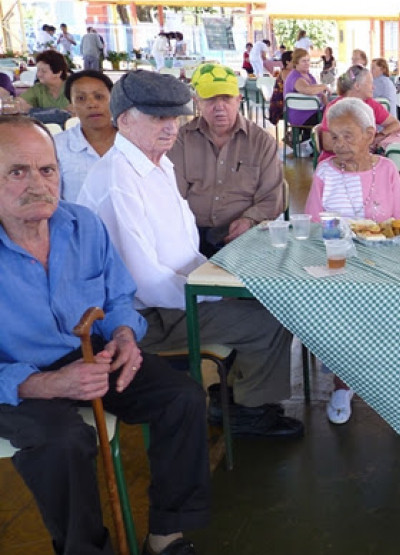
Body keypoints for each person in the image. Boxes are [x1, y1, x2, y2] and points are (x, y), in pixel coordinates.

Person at [0, 114, 210, 555]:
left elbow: (118, 298)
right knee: (63, 441)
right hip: (15, 378)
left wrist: (125, 337)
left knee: (182, 398)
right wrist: (45, 384)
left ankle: (166, 535)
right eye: (17, 171)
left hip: (90, 354)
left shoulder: (82, 225)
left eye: (47, 169)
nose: (38, 184)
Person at [77, 70, 301, 438]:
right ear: (124, 120)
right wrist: (214, 289)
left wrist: (217, 276)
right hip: (142, 319)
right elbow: (145, 282)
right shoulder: (118, 181)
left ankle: (233, 395)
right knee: (270, 320)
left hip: (176, 294)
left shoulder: (157, 164)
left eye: (174, 117)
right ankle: (248, 412)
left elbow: (184, 247)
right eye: (157, 118)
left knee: (269, 301)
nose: (169, 127)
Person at [303, 98, 400, 425]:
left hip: (382, 264)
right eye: (334, 137)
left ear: (369, 133)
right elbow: (312, 222)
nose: (339, 144)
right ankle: (342, 383)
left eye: (348, 136)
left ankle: (386, 379)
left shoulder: (388, 169)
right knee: (341, 309)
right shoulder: (325, 170)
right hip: (338, 264)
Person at [169, 63, 284, 256]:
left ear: (238, 100)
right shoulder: (181, 140)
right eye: (211, 99)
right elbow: (172, 195)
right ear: (197, 102)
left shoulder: (261, 142)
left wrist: (249, 220)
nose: (219, 107)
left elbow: (272, 199)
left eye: (226, 98)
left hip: (245, 237)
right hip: (189, 234)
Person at [53, 70, 116, 201]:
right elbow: (54, 202)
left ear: (113, 99)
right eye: (81, 98)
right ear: (71, 106)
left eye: (99, 96)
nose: (92, 104)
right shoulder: (57, 147)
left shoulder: (133, 141)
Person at [316, 65, 400, 162]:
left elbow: (395, 124)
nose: (373, 87)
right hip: (336, 161)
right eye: (370, 83)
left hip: (362, 161)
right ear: (357, 86)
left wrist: (379, 136)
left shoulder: (371, 104)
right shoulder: (335, 107)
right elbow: (327, 144)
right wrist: (361, 146)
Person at [284, 48, 332, 139]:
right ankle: (316, 147)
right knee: (332, 121)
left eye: (308, 60)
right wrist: (324, 87)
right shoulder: (296, 77)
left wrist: (328, 106)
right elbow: (307, 90)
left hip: (312, 112)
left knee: (335, 115)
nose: (307, 63)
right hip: (301, 115)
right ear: (296, 63)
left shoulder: (308, 75)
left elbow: (320, 93)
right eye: (303, 61)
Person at [16, 50, 71, 119]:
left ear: (58, 73)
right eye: (38, 70)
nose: (39, 74)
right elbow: (18, 103)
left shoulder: (73, 88)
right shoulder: (38, 89)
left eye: (44, 71)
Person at [268, 49, 294, 125]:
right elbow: (292, 87)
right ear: (287, 62)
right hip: (281, 105)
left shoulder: (290, 72)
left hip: (285, 103)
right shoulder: (286, 72)